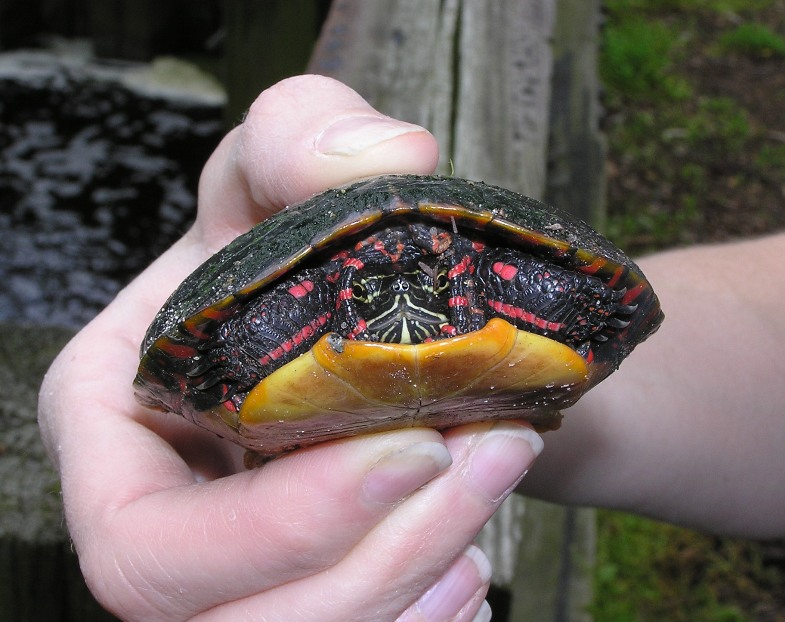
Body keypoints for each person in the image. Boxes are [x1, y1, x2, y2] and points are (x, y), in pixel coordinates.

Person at [38, 75, 785, 621]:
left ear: (460, 268)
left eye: (428, 261)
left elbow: (592, 305)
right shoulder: (313, 295)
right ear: (344, 287)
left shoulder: (494, 283)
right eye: (369, 273)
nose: (399, 264)